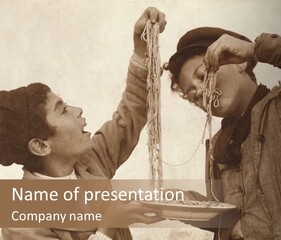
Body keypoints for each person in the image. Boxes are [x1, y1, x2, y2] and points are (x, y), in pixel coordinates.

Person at [0, 7, 166, 240]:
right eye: (63, 110)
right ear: (40, 146)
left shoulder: (90, 161)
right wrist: (109, 223)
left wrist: (141, 49)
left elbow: (131, 112)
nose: (78, 110)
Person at [164, 27, 281, 239]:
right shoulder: (217, 145)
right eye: (193, 97)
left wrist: (257, 49)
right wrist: (172, 201)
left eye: (202, 75)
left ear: (239, 62)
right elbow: (223, 215)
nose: (200, 92)